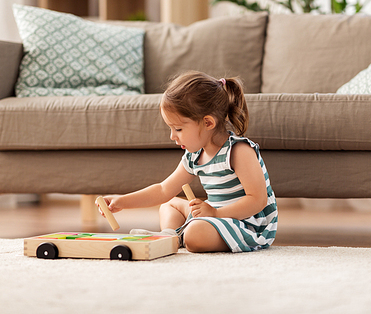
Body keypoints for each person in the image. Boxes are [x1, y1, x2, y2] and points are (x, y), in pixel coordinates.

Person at [97, 71, 277, 253]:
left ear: (208, 123)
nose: (172, 136)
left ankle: (178, 237)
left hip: (247, 224)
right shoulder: (195, 156)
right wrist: (122, 202)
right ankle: (169, 235)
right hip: (213, 215)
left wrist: (215, 214)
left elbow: (258, 200)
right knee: (169, 204)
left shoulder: (238, 151)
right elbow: (163, 190)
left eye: (178, 129)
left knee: (195, 234)